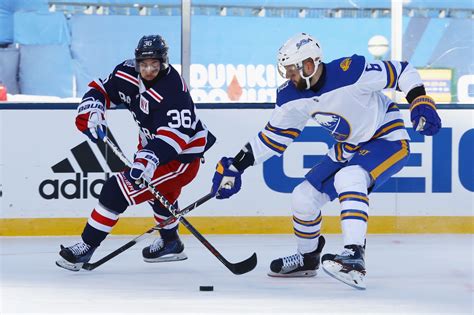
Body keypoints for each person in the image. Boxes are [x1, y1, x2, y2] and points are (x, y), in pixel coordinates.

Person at [211, 33, 441, 289]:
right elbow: (273, 137)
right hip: (349, 147)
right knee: (303, 196)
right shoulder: (291, 97)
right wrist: (236, 165)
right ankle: (307, 259)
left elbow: (401, 71)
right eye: (285, 71)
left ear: (309, 64)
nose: (288, 76)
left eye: (292, 70)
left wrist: (418, 99)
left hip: (387, 137)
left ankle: (354, 257)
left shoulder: (350, 71)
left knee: (349, 177)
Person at [56, 35, 216, 271]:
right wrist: (94, 108)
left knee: (115, 189)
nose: (149, 70)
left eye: (155, 64)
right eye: (144, 64)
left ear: (164, 62)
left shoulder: (174, 91)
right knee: (162, 196)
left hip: (179, 158)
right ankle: (171, 243)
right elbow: (101, 89)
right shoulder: (126, 72)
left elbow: (174, 138)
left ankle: (86, 247)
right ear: (137, 60)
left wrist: (148, 158)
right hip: (151, 147)